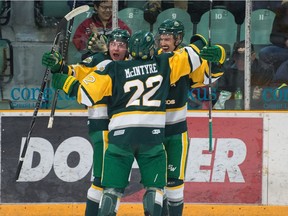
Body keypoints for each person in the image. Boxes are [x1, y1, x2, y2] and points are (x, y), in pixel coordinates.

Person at [46, 30, 225, 215]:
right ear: (151, 49)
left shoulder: (113, 69)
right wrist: (218, 51)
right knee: (155, 190)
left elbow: (85, 95)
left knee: (111, 191)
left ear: (130, 49)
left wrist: (64, 82)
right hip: (152, 138)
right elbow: (194, 53)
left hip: (120, 138)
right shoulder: (164, 64)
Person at [42, 28, 130, 216]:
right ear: (108, 45)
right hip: (105, 129)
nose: (116, 48)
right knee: (106, 181)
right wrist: (58, 65)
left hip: (122, 130)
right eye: (113, 44)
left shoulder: (130, 65)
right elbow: (75, 71)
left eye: (121, 45)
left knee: (103, 179)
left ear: (128, 48)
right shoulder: (99, 61)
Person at [156, 19, 225, 215]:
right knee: (156, 184)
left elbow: (206, 77)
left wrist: (217, 61)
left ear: (178, 39)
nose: (163, 42)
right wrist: (200, 47)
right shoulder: (153, 58)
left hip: (177, 132)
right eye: (161, 38)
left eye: (167, 38)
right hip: (153, 131)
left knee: (175, 185)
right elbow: (186, 57)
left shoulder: (187, 59)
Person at [216, 40, 274, 110]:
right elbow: (221, 90)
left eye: (244, 58)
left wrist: (261, 94)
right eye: (237, 57)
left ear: (253, 56)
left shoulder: (265, 70)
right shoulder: (227, 68)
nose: (239, 61)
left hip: (259, 108)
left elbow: (271, 94)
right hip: (231, 106)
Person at [259, 1, 288, 83]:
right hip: (284, 50)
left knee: (284, 66)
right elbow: (273, 37)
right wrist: (284, 41)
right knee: (264, 52)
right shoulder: (281, 15)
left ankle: (277, 83)